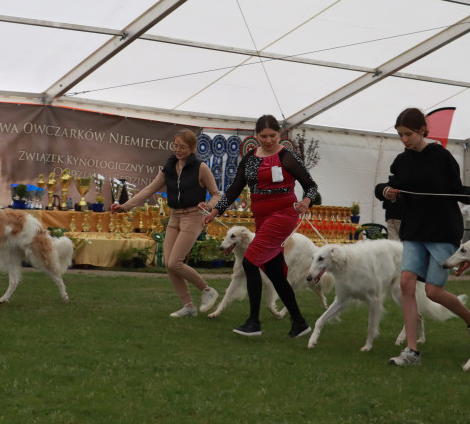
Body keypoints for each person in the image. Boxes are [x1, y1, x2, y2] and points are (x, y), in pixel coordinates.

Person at [374, 107, 470, 367]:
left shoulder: (442, 157)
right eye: (400, 135)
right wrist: (387, 191)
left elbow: (455, 189)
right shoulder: (401, 161)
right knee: (406, 282)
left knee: (434, 291)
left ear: (423, 129)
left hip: (442, 231)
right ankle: (412, 352)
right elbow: (386, 186)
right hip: (413, 230)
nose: (404, 140)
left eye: (408, 134)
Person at [202, 115, 317, 339]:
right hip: (262, 217)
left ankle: (253, 321)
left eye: (272, 136)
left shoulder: (286, 156)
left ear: (279, 134)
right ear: (255, 135)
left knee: (250, 260)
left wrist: (306, 201)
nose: (267, 140)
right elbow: (235, 189)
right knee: (274, 272)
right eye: (263, 136)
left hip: (283, 215)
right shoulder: (250, 159)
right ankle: (300, 322)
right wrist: (215, 211)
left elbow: (311, 185)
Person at [112, 129, 221, 317]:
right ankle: (188, 306)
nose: (178, 150)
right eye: (175, 146)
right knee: (168, 264)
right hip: (174, 217)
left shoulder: (201, 167)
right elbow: (149, 189)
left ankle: (207, 290)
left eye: (183, 147)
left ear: (193, 148)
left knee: (175, 262)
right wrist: (125, 206)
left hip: (193, 217)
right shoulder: (169, 167)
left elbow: (217, 194)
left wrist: (209, 207)